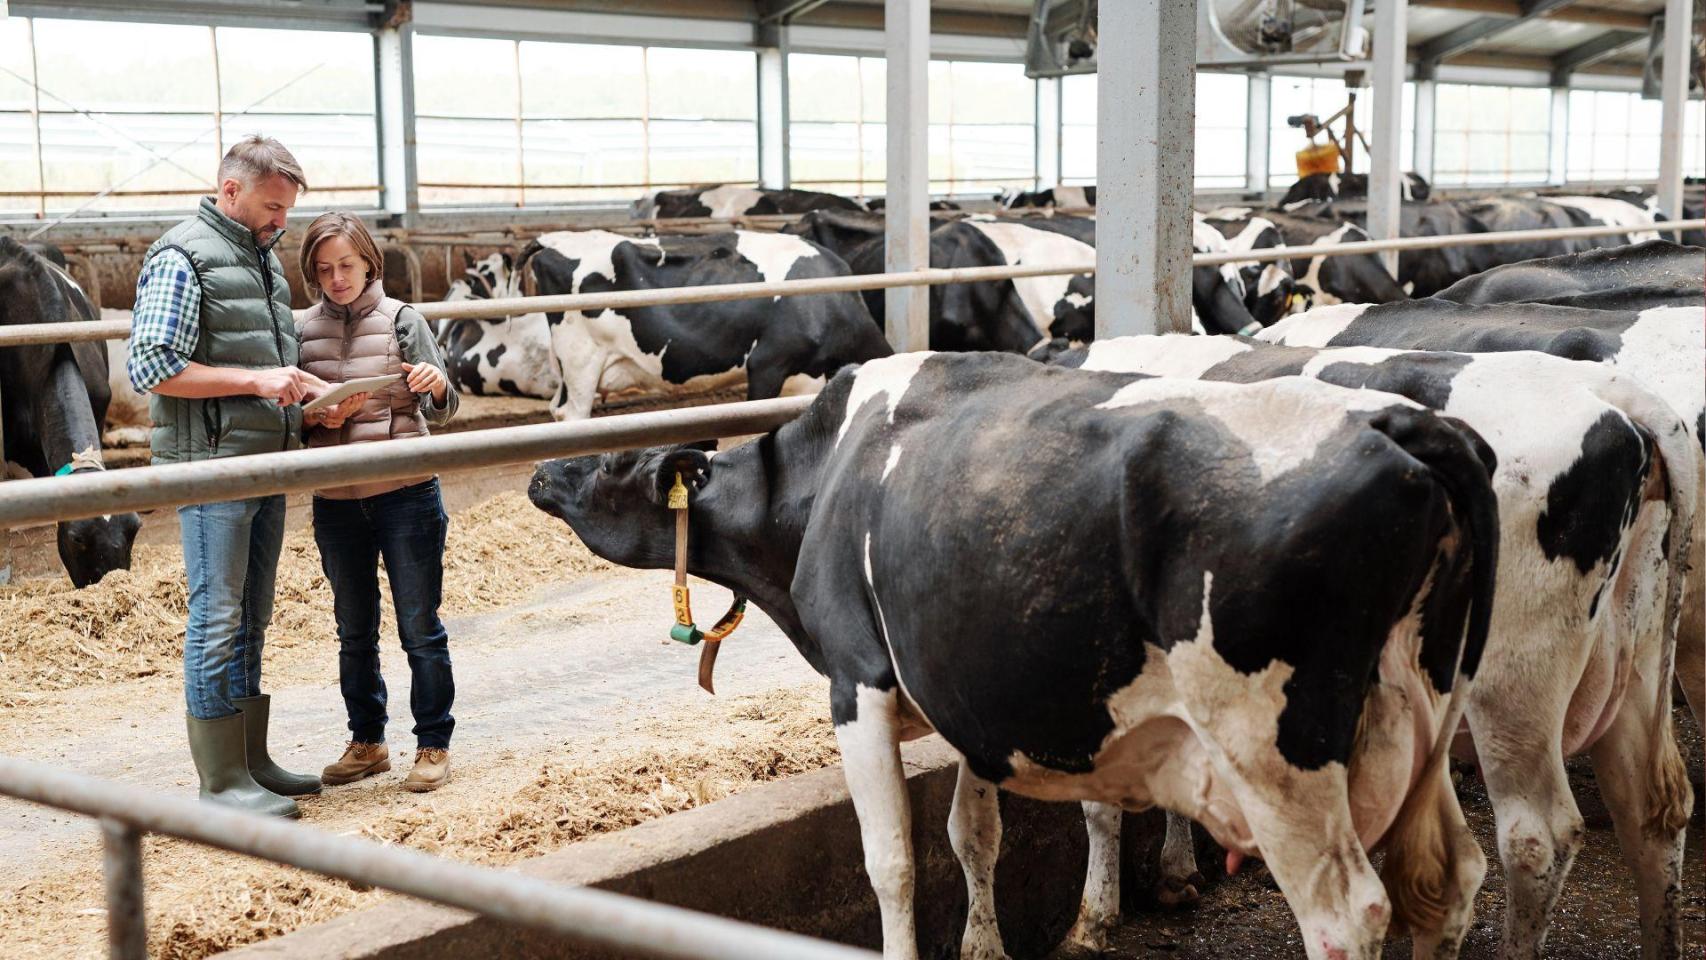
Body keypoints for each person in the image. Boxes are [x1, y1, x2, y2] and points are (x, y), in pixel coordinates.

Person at [129, 136, 329, 817]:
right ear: (230, 191)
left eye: (289, 210)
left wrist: (304, 390)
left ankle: (250, 759)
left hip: (263, 456)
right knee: (217, 614)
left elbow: (259, 359)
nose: (283, 222)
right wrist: (256, 378)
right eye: (273, 207)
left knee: (252, 615)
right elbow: (152, 365)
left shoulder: (263, 263)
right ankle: (219, 782)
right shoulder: (183, 255)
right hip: (211, 464)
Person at [295, 211, 461, 793]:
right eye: (323, 269)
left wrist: (435, 385)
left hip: (405, 493)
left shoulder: (402, 320)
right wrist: (315, 415)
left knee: (419, 625)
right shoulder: (300, 330)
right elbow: (291, 423)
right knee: (353, 628)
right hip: (337, 499)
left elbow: (446, 403)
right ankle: (368, 741)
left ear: (368, 261)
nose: (336, 278)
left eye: (345, 265)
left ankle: (433, 743)